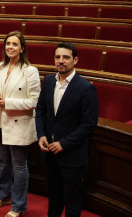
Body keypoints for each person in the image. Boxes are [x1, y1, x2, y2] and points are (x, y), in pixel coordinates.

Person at [35, 42, 98, 217]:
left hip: (72, 155)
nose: (61, 61)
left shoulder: (86, 88)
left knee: (72, 201)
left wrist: (64, 143)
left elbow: (89, 124)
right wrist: (41, 135)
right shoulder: (48, 81)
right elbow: (40, 110)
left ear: (75, 60)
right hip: (49, 153)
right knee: (54, 197)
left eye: (66, 57)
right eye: (57, 57)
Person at [0, 31, 41, 217]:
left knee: (19, 166)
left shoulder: (30, 70)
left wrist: (8, 103)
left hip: (19, 125)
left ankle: (18, 206)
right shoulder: (1, 67)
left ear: (22, 48)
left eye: (14, 44)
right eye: (8, 43)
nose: (10, 47)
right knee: (2, 163)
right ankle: (4, 195)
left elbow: (35, 101)